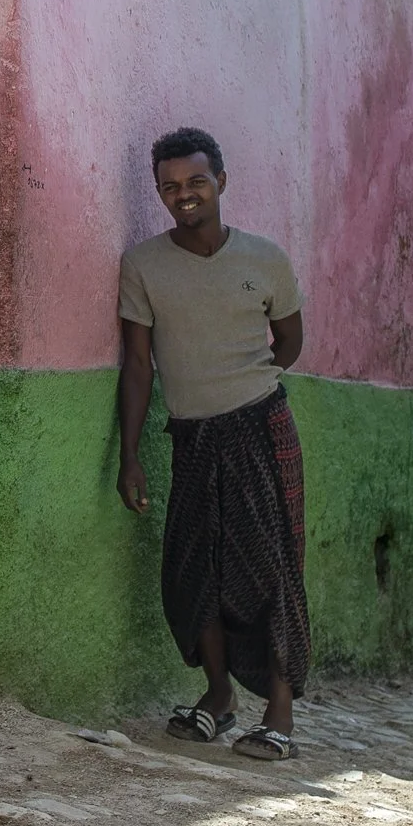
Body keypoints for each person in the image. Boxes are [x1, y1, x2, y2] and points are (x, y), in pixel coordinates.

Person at [117, 128, 308, 761]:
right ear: (160, 195)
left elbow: (288, 343)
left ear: (220, 182)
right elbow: (140, 366)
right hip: (192, 437)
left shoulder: (264, 258)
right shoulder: (144, 265)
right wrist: (131, 454)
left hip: (261, 426)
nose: (184, 195)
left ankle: (278, 714)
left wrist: (243, 384)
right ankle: (219, 698)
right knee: (194, 573)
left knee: (271, 570)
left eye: (196, 182)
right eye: (170, 187)